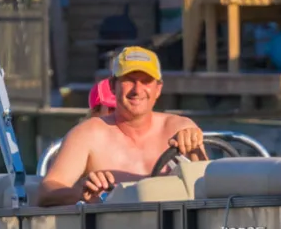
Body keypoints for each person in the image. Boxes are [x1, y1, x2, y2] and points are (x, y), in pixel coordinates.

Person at [38, 47, 206, 206]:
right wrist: (81, 193)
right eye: (129, 80)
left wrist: (194, 151)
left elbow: (210, 189)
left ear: (158, 88)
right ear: (112, 85)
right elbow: (46, 191)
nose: (137, 90)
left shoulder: (181, 128)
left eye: (146, 81)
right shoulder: (88, 134)